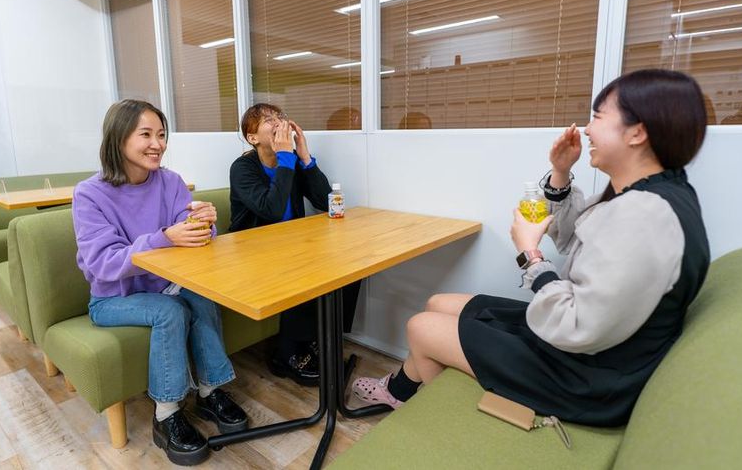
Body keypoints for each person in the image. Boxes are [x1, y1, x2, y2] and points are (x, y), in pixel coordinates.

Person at [352, 68, 710, 427]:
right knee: (438, 303)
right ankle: (400, 391)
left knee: (421, 327)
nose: (587, 129)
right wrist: (560, 171)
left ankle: (443, 424)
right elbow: (576, 239)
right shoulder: (653, 194)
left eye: (599, 117)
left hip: (588, 378)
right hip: (587, 346)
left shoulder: (644, 216)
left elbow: (576, 326)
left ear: (637, 132)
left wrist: (530, 254)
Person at [73, 100, 248, 466]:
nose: (158, 144)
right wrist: (164, 237)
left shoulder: (170, 181)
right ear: (119, 138)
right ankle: (166, 414)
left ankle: (210, 391)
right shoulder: (90, 194)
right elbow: (103, 263)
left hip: (165, 285)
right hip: (112, 300)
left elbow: (191, 235)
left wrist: (205, 223)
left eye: (162, 134)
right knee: (170, 311)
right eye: (146, 135)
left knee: (200, 295)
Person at [229, 103, 360, 386]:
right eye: (269, 120)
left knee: (352, 263)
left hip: (289, 244)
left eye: (280, 117)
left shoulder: (292, 161)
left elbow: (324, 201)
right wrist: (287, 158)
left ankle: (319, 337)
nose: (279, 123)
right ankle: (286, 354)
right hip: (250, 250)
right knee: (299, 268)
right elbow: (271, 210)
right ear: (253, 138)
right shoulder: (242, 168)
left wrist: (305, 158)